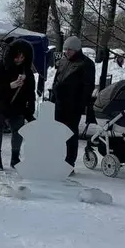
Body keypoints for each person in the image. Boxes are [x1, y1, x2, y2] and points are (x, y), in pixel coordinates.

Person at [0, 39, 37, 170]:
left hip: (17, 106)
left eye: (23, 57)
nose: (20, 59)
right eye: (18, 56)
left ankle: (15, 157)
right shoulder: (0, 66)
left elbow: (31, 92)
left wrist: (29, 109)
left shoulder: (27, 71)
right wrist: (10, 86)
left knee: (18, 131)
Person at [51, 35, 95, 168]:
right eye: (65, 49)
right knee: (57, 133)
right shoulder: (63, 61)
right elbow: (57, 78)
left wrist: (80, 104)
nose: (67, 52)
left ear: (76, 50)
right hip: (59, 102)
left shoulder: (85, 64)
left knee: (70, 134)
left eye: (70, 50)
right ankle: (56, 158)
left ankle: (69, 162)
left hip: (73, 104)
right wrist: (54, 94)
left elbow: (88, 86)